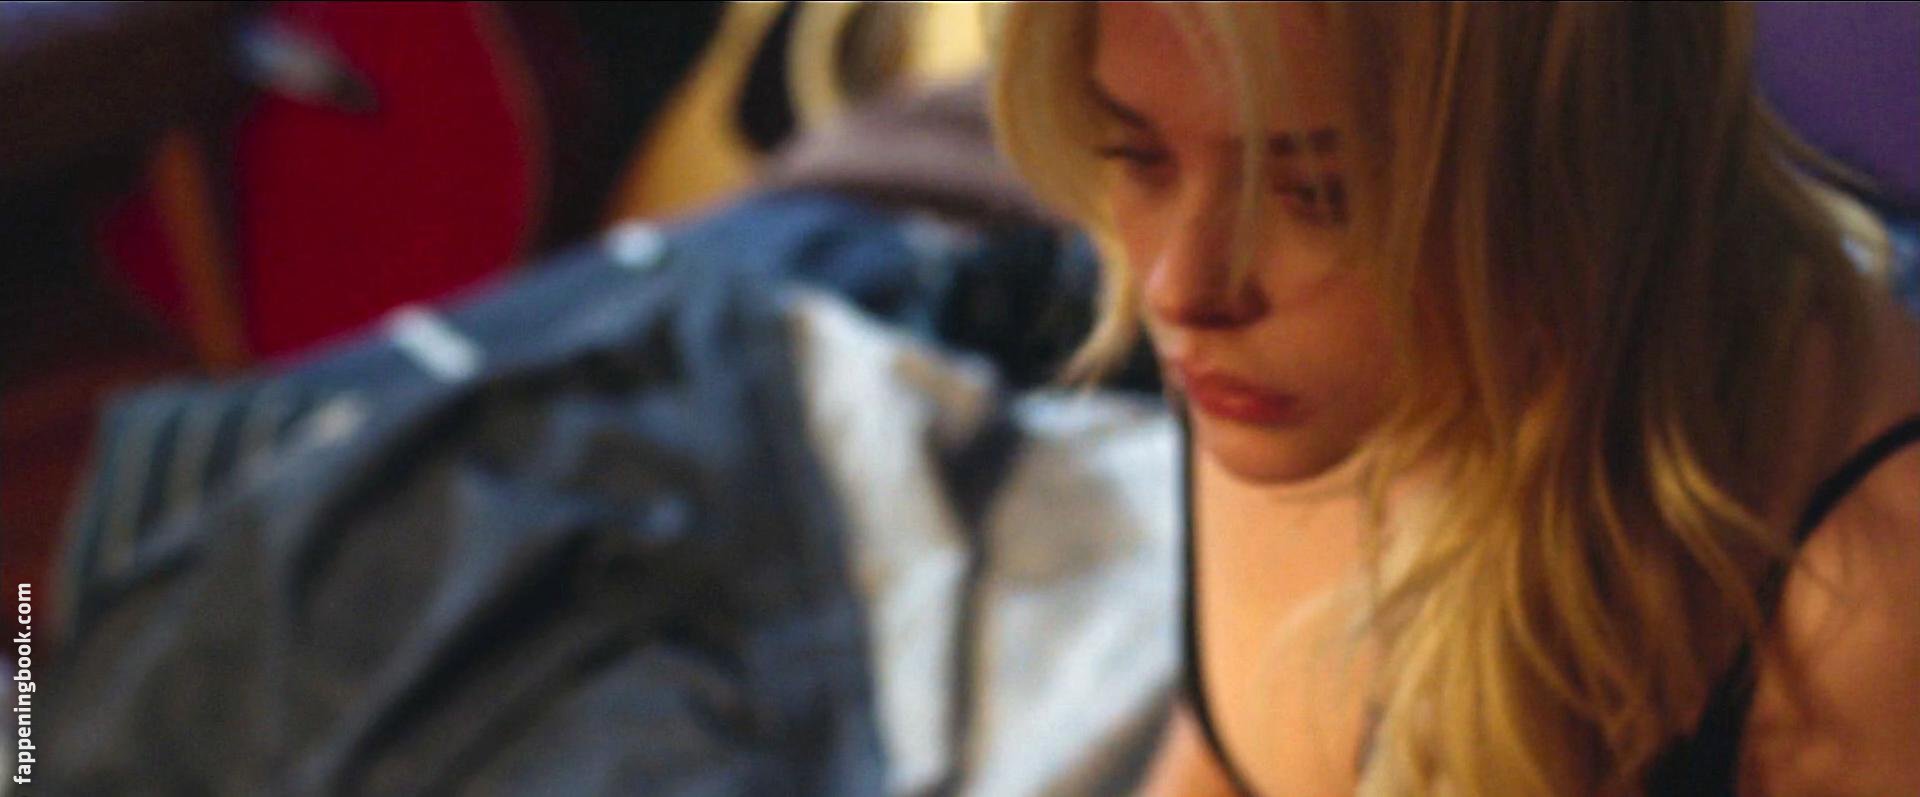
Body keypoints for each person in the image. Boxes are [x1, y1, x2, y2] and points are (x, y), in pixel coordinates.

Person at [988, 3, 1920, 796]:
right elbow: (1224, 761)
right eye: (1138, 155)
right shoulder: (1263, 363)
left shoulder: (1864, 601)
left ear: (1571, 169)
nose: (1176, 289)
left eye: (1321, 194)